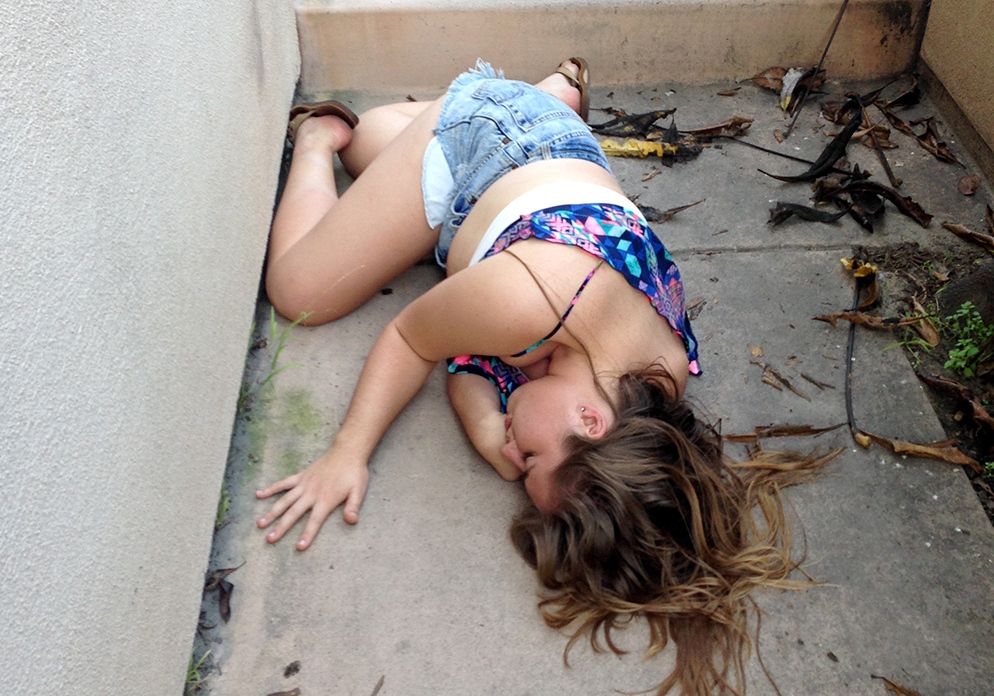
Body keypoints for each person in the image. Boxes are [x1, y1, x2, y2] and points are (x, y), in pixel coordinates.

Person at [256, 59, 836, 696]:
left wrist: (487, 425)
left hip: (559, 160)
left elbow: (471, 364)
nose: (511, 452)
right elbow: (412, 338)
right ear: (590, 420)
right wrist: (347, 453)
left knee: (374, 148)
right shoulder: (528, 304)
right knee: (303, 283)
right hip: (484, 143)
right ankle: (325, 134)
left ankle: (554, 93)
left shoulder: (651, 388)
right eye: (528, 456)